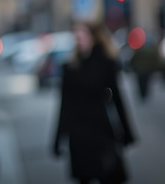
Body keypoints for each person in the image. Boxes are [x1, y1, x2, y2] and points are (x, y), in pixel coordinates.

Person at [53, 21, 136, 184]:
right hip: (78, 134)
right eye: (76, 36)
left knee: (107, 174)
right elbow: (64, 105)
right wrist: (57, 138)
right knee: (84, 176)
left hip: (101, 128)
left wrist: (126, 131)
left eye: (82, 35)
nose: (79, 39)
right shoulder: (70, 66)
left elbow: (117, 99)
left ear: (93, 36)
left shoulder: (105, 63)